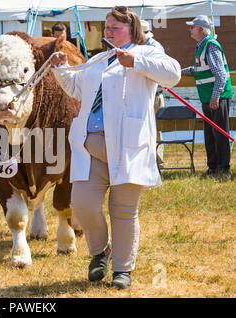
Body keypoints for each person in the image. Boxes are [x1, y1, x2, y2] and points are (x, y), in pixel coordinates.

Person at [50, 6, 181, 289]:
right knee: (82, 205)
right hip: (91, 147)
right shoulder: (99, 58)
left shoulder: (147, 53)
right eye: (106, 28)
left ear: (132, 30)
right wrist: (61, 69)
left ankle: (123, 269)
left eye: (114, 28)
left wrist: (137, 62)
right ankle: (101, 251)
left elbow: (173, 74)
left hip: (128, 147)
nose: (108, 32)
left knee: (123, 211)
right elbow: (77, 89)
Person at [182, 15, 233, 176]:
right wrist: (177, 73)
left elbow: (220, 75)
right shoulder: (202, 46)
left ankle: (223, 168)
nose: (190, 29)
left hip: (217, 97)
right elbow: (198, 69)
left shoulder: (211, 45)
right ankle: (212, 167)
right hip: (208, 97)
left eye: (192, 27)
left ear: (201, 29)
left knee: (219, 133)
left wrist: (215, 96)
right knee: (210, 134)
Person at [141, 19, 166, 166]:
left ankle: (157, 162)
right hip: (143, 94)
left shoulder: (154, 48)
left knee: (155, 129)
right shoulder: (140, 46)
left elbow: (158, 70)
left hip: (153, 95)